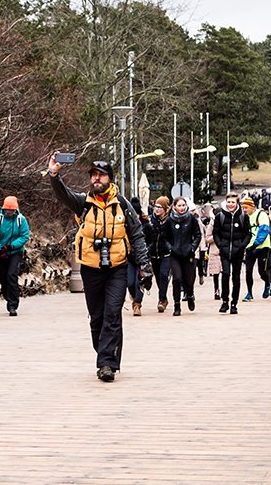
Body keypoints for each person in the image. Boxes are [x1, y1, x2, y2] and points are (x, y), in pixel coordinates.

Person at [47, 155, 151, 382]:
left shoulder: (122, 204)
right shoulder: (83, 202)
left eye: (101, 174)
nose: (96, 178)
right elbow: (62, 194)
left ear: (110, 179)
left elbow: (137, 236)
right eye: (93, 175)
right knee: (97, 316)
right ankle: (106, 354)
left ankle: (106, 363)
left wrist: (144, 265)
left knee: (112, 312)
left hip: (117, 267)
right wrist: (54, 174)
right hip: (91, 268)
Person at [0, 196, 30, 316]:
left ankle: (13, 305)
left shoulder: (21, 220)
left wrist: (11, 246)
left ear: (15, 209)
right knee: (3, 278)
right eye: (7, 210)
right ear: (3, 209)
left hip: (15, 252)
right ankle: (7, 296)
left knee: (12, 275)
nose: (9, 212)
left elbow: (24, 236)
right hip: (1, 252)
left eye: (11, 210)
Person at [211, 194, 251, 314]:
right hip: (224, 251)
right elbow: (216, 233)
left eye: (233, 202)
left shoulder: (243, 217)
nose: (230, 204)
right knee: (225, 274)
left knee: (236, 278)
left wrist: (242, 245)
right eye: (228, 202)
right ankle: (225, 301)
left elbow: (248, 234)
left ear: (237, 203)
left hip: (237, 251)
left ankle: (234, 303)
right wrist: (221, 245)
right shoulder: (220, 216)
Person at [164, 197, 202, 316]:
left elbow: (197, 235)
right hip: (175, 255)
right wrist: (170, 248)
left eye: (183, 205)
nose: (182, 208)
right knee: (177, 278)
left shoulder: (191, 219)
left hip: (188, 254)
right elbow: (165, 238)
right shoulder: (169, 221)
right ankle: (177, 305)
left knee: (189, 280)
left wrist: (192, 248)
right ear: (174, 207)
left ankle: (190, 295)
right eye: (179, 205)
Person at [125, 197, 152, 316]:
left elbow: (151, 240)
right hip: (130, 258)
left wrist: (147, 252)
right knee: (130, 282)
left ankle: (137, 304)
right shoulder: (125, 225)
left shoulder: (146, 225)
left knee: (139, 282)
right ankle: (133, 295)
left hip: (143, 258)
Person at [242, 197, 271, 301]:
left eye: (246, 208)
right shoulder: (244, 217)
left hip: (262, 246)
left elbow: (264, 231)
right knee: (248, 271)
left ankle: (268, 283)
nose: (244, 210)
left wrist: (255, 245)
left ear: (252, 207)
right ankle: (249, 293)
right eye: (243, 208)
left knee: (261, 271)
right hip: (249, 247)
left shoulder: (261, 215)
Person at [147, 197, 173, 313]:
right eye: (155, 206)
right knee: (158, 278)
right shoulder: (150, 221)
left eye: (160, 207)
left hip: (166, 254)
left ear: (166, 209)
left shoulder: (170, 221)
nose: (156, 209)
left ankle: (161, 300)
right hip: (153, 254)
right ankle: (164, 298)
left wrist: (171, 247)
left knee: (163, 275)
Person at [202, 205, 223, 300]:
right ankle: (216, 290)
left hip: (225, 251)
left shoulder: (226, 222)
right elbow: (207, 238)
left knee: (225, 273)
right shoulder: (211, 224)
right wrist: (216, 236)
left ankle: (225, 290)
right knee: (216, 273)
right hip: (214, 251)